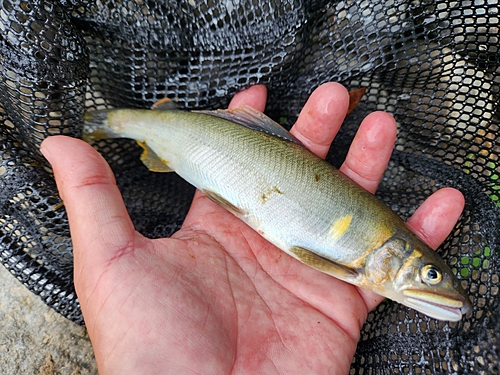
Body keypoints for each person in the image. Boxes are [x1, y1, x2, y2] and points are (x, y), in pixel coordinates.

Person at [40, 83, 464, 375]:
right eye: (431, 274)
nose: (435, 285)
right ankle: (103, 121)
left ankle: (105, 121)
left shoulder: (369, 266)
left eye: (431, 275)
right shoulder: (357, 267)